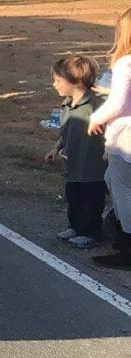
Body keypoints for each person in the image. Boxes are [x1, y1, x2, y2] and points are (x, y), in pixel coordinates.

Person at [48, 55, 108, 250]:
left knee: (91, 199)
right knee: (73, 195)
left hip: (93, 166)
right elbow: (65, 131)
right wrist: (56, 148)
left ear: (76, 81)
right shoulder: (67, 104)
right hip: (74, 163)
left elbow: (110, 130)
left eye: (58, 80)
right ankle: (75, 226)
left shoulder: (96, 106)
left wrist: (108, 150)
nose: (54, 84)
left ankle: (91, 232)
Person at [90, 10, 131, 268]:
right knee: (112, 180)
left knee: (122, 189)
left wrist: (97, 118)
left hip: (125, 136)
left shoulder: (125, 64)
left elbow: (118, 104)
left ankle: (127, 246)